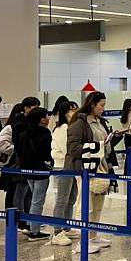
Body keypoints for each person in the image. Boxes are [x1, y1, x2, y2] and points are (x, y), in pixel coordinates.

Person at [66, 91, 116, 254]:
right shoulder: (79, 123)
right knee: (85, 204)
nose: (103, 108)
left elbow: (104, 144)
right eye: (101, 105)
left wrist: (108, 144)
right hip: (84, 169)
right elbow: (73, 149)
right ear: (92, 104)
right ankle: (83, 240)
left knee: (98, 204)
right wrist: (97, 147)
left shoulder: (100, 121)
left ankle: (93, 236)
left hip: (100, 167)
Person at [18, 107, 53, 242]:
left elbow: (19, 151)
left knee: (34, 199)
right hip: (40, 170)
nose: (48, 118)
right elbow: (46, 153)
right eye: (46, 116)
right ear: (42, 119)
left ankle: (31, 225)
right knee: (38, 201)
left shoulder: (24, 133)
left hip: (27, 170)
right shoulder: (44, 133)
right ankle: (34, 231)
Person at [51, 101, 81, 246]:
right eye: (71, 109)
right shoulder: (62, 128)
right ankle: (57, 232)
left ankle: (66, 226)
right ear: (64, 112)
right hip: (63, 167)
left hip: (72, 167)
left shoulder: (71, 127)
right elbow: (67, 149)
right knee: (62, 200)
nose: (74, 111)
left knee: (71, 198)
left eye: (76, 109)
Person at [11, 97, 41, 233]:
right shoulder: (20, 122)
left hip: (31, 161)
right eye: (34, 107)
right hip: (23, 160)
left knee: (29, 192)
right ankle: (20, 221)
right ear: (26, 108)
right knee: (21, 192)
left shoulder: (31, 122)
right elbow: (18, 143)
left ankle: (29, 220)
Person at [0, 103, 24, 210]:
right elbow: (2, 144)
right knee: (12, 191)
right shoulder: (9, 128)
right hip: (10, 163)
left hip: (20, 163)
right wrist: (17, 149)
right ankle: (11, 219)